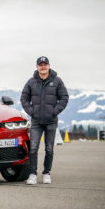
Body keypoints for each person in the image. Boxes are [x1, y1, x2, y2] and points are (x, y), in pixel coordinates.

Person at [20, 56, 68, 185]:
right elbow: (24, 99)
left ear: (49, 66)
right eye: (40, 64)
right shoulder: (31, 82)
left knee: (49, 149)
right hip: (36, 121)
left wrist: (54, 111)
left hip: (51, 121)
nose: (43, 66)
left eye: (45, 64)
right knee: (33, 148)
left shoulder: (57, 81)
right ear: (37, 67)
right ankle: (32, 174)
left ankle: (46, 173)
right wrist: (32, 112)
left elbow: (64, 98)